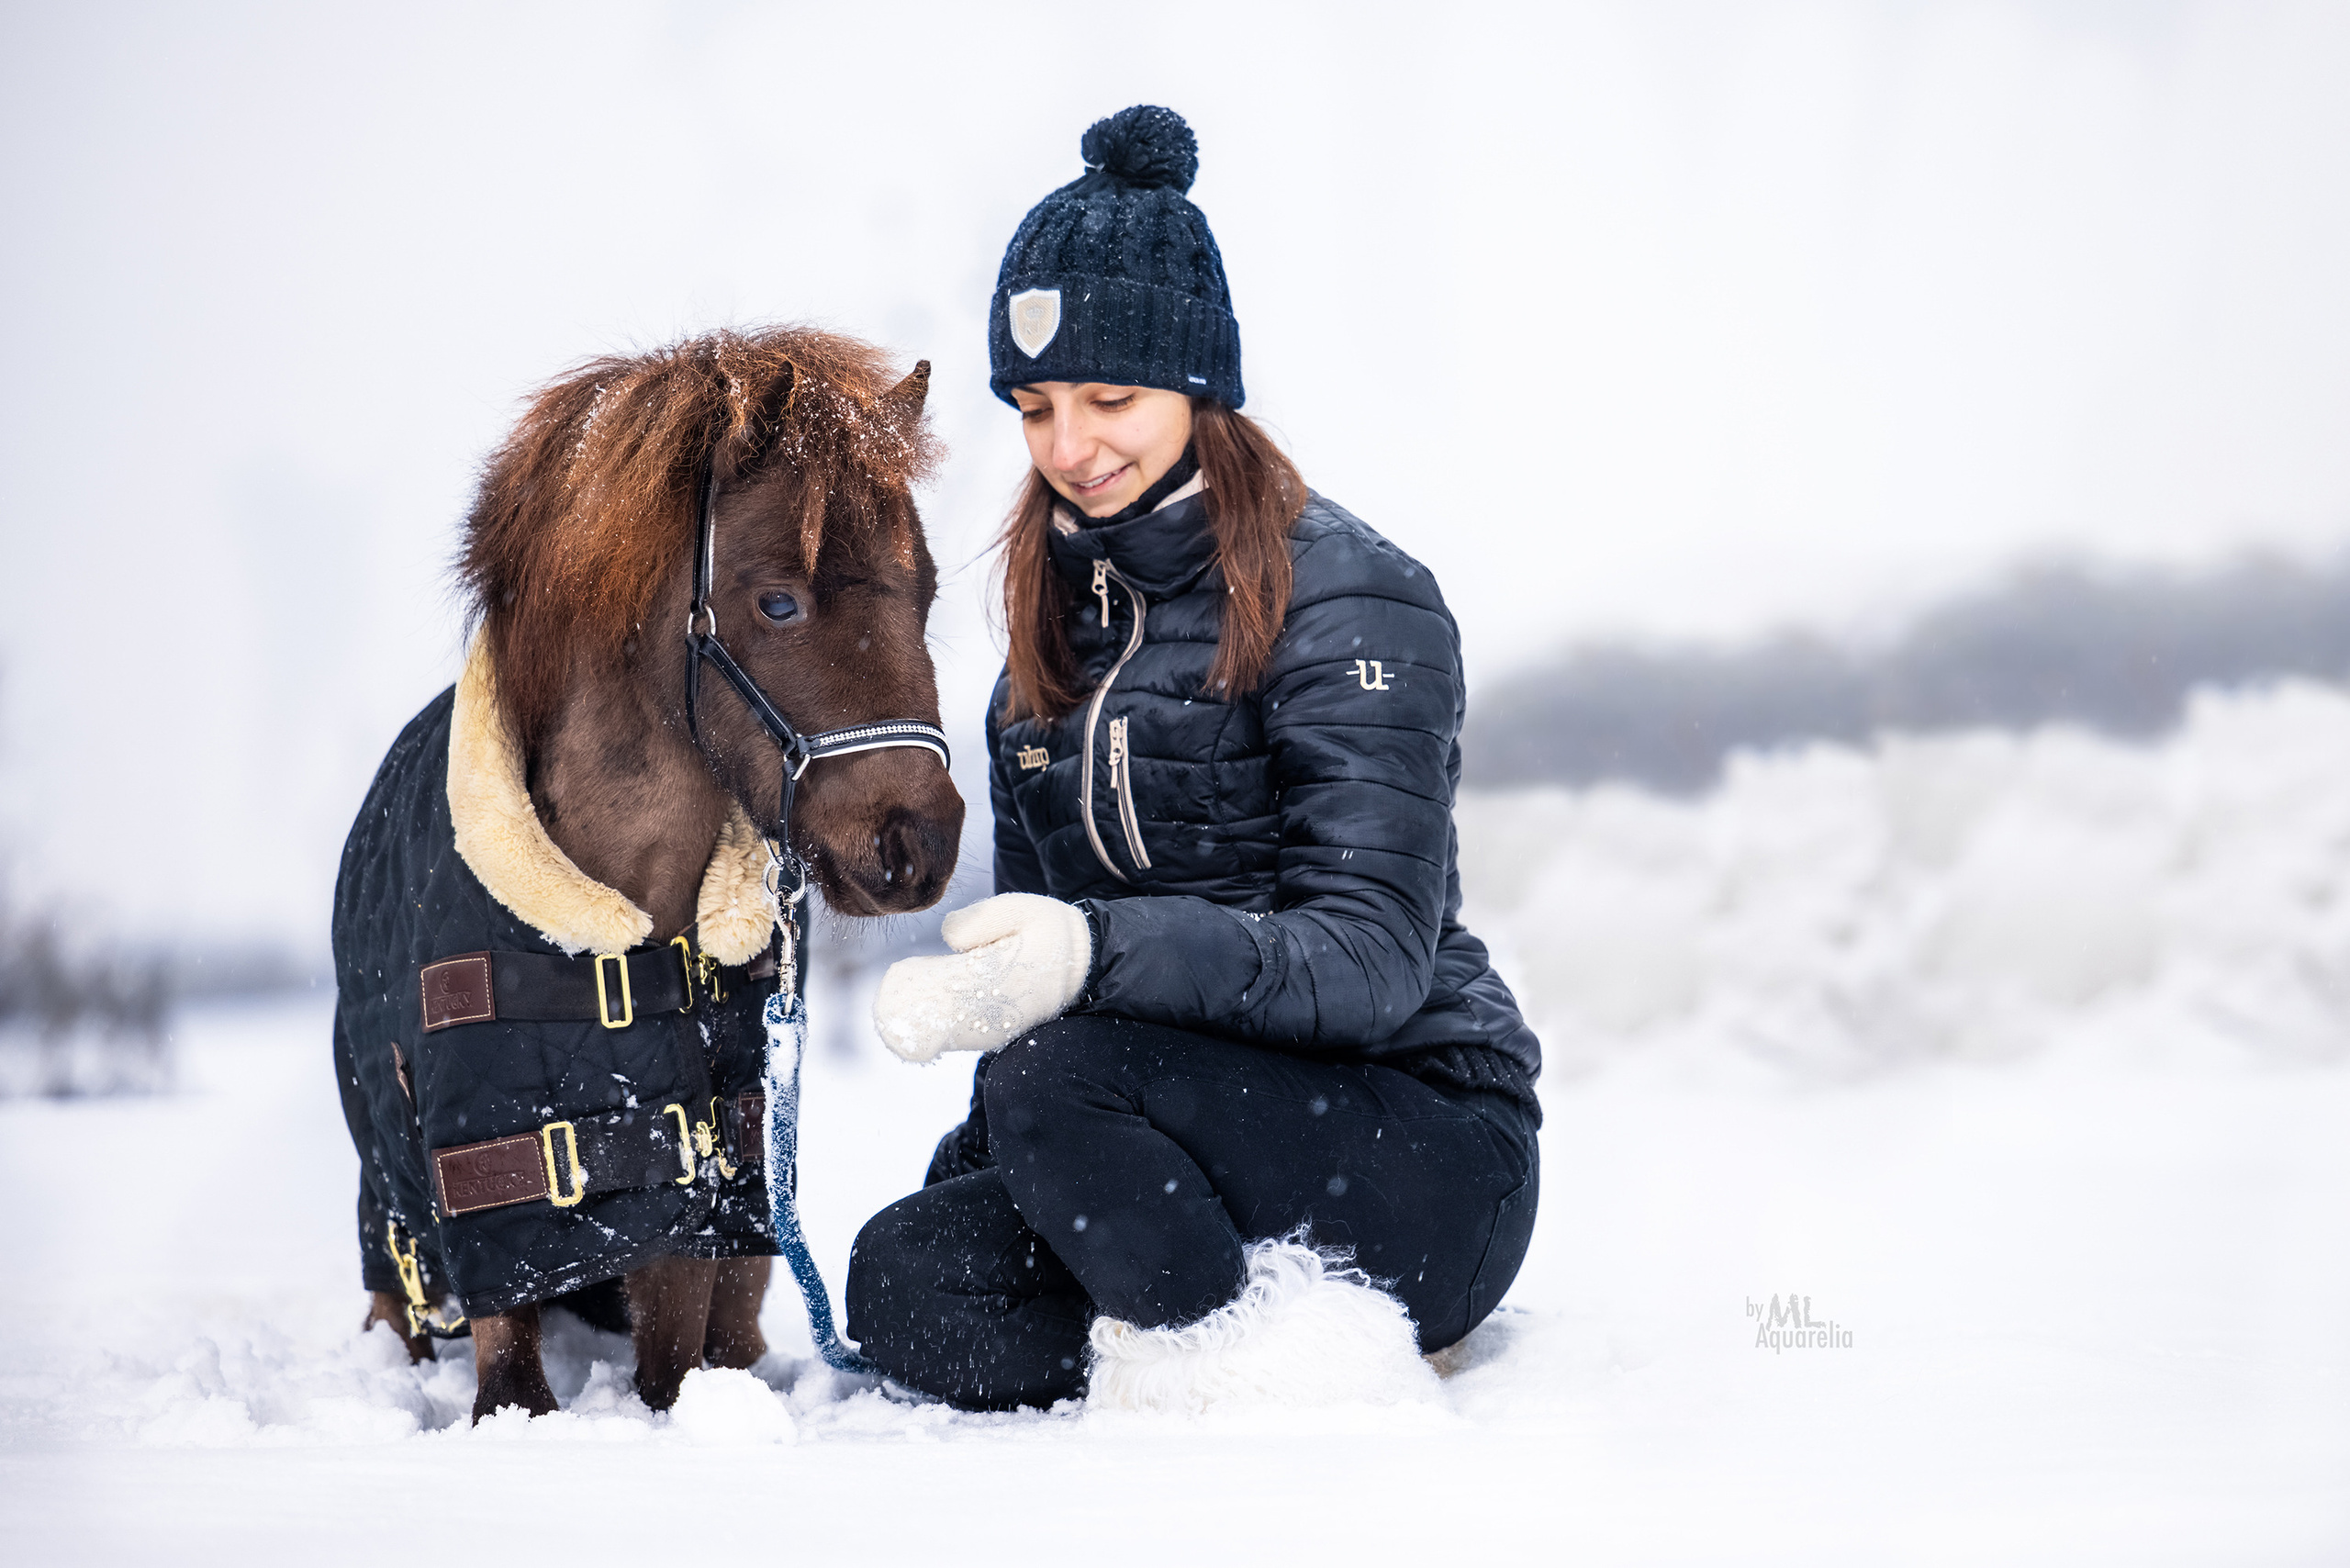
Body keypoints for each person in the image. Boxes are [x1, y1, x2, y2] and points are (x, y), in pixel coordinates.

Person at [845, 105, 1541, 1414]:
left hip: (1422, 1136)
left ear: (1201, 390)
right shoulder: (1040, 663)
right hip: (1172, 1130)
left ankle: (1238, 1379)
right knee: (910, 1276)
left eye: (1110, 398)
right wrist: (991, 1150)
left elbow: (1371, 962)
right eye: (1037, 406)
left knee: (1064, 1074)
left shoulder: (1353, 600)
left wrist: (1093, 959)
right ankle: (1213, 1319)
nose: (1070, 446)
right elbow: (1054, 1015)